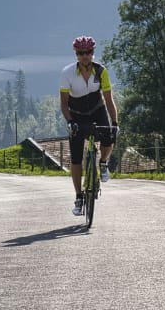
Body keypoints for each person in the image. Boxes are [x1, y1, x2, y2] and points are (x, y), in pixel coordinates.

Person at [60, 35, 118, 215]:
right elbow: (63, 104)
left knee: (109, 139)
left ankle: (102, 163)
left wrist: (115, 123)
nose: (85, 56)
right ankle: (78, 197)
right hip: (76, 115)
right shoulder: (67, 73)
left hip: (97, 109)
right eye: (81, 53)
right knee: (76, 159)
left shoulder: (101, 71)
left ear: (93, 53)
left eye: (88, 52)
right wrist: (70, 122)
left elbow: (109, 100)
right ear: (76, 54)